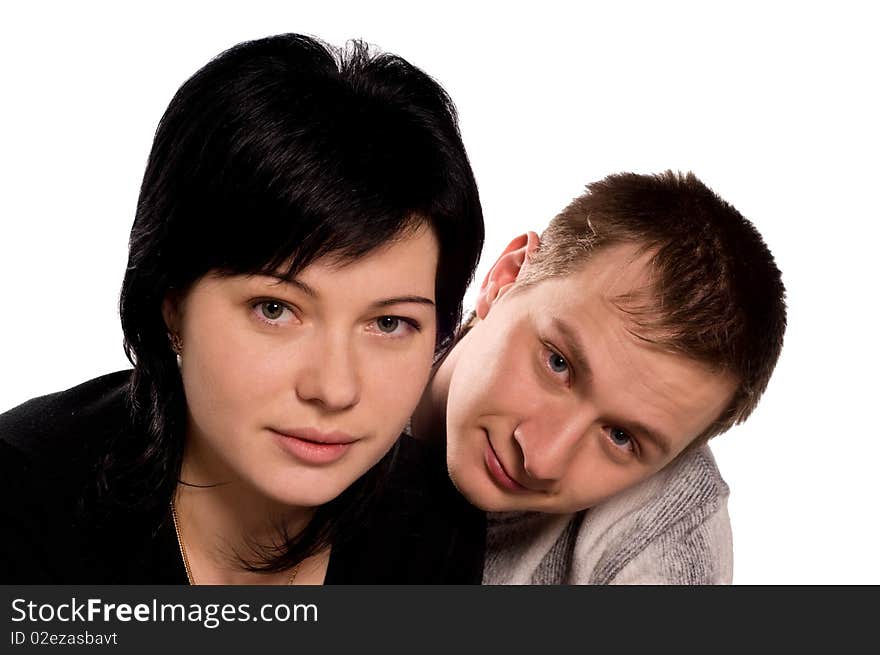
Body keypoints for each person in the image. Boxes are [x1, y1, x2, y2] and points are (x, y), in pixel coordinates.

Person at [0, 33, 486, 584]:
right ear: (171, 304)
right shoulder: (23, 502)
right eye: (275, 309)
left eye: (389, 323)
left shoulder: (434, 527)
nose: (334, 389)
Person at [412, 170, 786, 584]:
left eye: (621, 438)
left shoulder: (667, 529)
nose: (541, 460)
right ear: (506, 278)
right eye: (558, 365)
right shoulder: (352, 343)